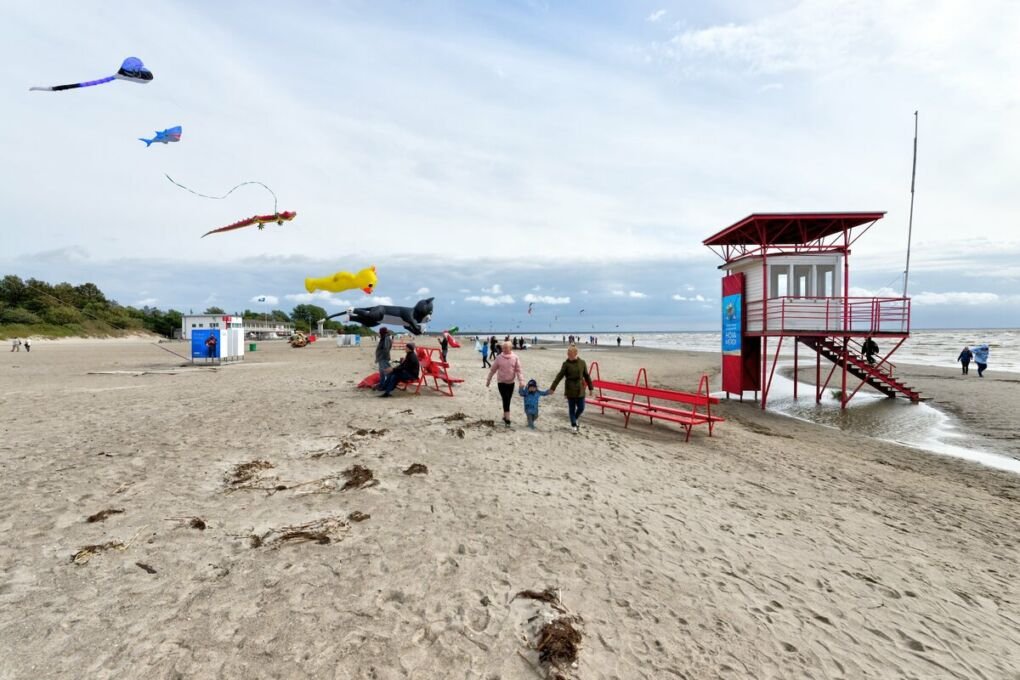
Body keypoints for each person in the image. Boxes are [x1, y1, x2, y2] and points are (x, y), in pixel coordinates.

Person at [549, 345, 594, 434]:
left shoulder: (582, 363)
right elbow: (559, 376)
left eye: (570, 353)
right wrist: (553, 387)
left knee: (581, 408)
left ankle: (575, 419)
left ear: (575, 353)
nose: (568, 355)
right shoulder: (566, 364)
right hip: (570, 389)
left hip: (580, 389)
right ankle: (574, 425)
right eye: (568, 353)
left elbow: (586, 376)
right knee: (572, 409)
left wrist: (590, 387)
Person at [486, 341, 524, 427]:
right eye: (503, 347)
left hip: (511, 383)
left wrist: (521, 381)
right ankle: (507, 419)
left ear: (510, 348)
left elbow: (519, 371)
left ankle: (504, 415)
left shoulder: (515, 358)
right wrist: (488, 380)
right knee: (505, 398)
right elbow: (493, 370)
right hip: (501, 382)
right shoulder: (499, 358)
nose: (504, 349)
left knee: (508, 399)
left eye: (506, 347)